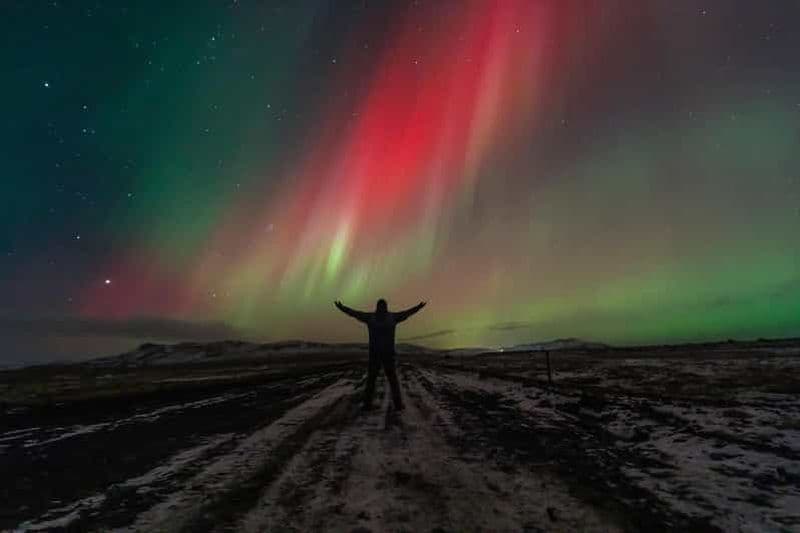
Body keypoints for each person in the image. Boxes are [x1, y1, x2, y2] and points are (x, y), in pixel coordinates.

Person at [334, 298, 426, 410]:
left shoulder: (374, 318)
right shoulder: (389, 318)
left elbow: (355, 313)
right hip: (383, 354)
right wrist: (418, 307)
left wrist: (342, 308)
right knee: (387, 380)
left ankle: (371, 405)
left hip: (379, 354)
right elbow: (407, 313)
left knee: (377, 380)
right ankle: (396, 405)